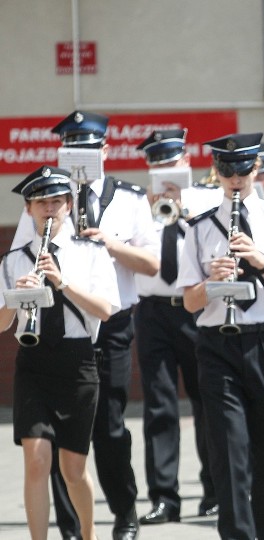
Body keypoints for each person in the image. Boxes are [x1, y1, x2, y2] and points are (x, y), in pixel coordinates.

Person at [11, 111, 162, 540]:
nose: (81, 154)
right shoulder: (46, 196)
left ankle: (124, 512)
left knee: (110, 425)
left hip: (109, 322)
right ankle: (70, 526)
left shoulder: (128, 198)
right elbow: (21, 253)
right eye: (72, 147)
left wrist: (107, 244)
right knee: (54, 444)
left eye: (88, 147)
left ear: (105, 150)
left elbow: (152, 264)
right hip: (53, 323)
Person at [177, 132, 264, 540]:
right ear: (217, 173)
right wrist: (211, 281)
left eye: (242, 169)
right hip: (217, 345)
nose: (234, 178)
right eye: (226, 170)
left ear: (256, 168)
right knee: (228, 452)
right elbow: (188, 303)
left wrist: (262, 262)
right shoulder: (200, 228)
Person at [0, 166, 120, 540]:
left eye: (56, 201)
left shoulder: (91, 252)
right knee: (36, 460)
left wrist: (62, 281)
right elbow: (2, 323)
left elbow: (105, 310)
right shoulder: (14, 260)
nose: (49, 209)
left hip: (78, 362)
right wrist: (15, 297)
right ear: (29, 209)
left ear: (69, 205)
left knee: (73, 469)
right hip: (33, 364)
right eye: (41, 203)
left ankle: (88, 533)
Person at [133, 128, 218, 525]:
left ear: (185, 162)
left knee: (207, 402)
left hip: (195, 310)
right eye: (157, 164)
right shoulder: (136, 204)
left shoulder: (207, 200)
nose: (165, 170)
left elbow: (213, 252)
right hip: (152, 312)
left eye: (171, 162)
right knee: (160, 405)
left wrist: (183, 213)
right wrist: (151, 209)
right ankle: (164, 497)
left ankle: (215, 490)